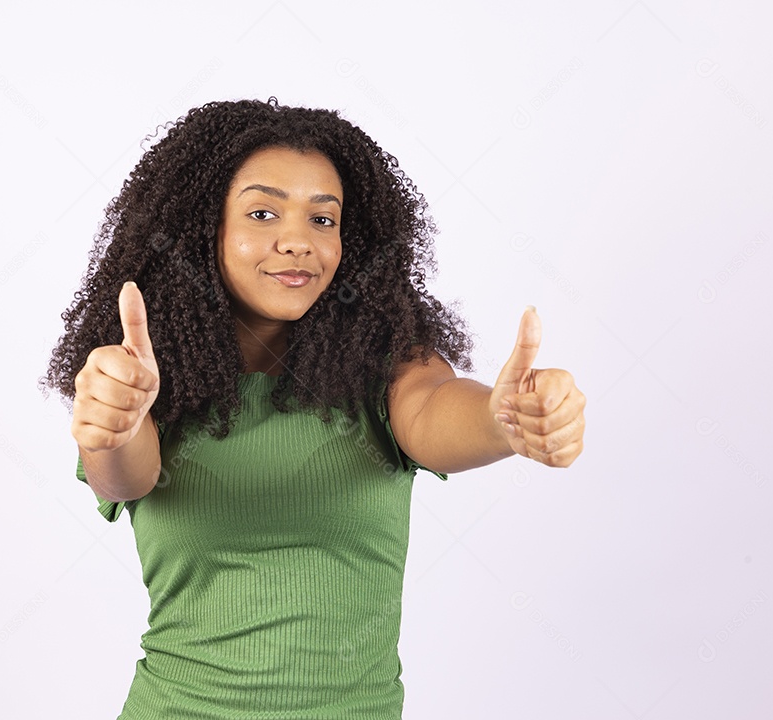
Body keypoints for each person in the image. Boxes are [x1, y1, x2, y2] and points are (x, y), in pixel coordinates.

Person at [41, 97, 586, 719]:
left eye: (323, 219)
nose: (299, 241)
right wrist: (113, 428)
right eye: (263, 213)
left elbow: (434, 412)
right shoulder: (149, 380)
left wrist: (503, 418)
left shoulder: (387, 367)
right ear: (202, 227)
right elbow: (123, 477)